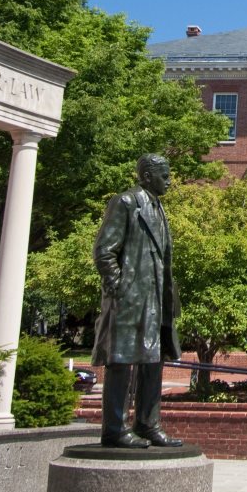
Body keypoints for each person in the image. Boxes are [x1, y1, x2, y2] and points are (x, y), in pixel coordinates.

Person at [92, 153, 183, 449]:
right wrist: (119, 288)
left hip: (156, 297)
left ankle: (147, 424)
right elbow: (104, 251)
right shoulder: (126, 202)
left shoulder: (158, 207)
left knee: (153, 360)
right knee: (121, 362)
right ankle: (115, 429)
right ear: (146, 177)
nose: (169, 181)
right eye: (164, 176)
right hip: (130, 298)